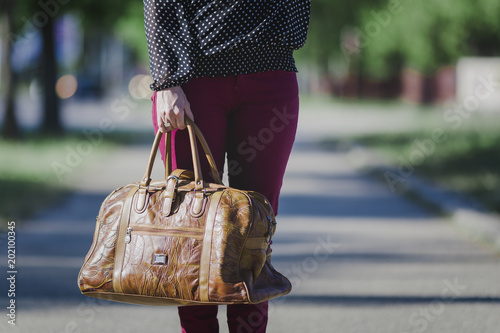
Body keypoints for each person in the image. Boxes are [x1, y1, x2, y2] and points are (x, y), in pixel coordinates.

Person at [143, 1, 311, 332]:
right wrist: (165, 79)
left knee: (255, 232)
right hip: (193, 78)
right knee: (190, 231)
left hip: (271, 75)